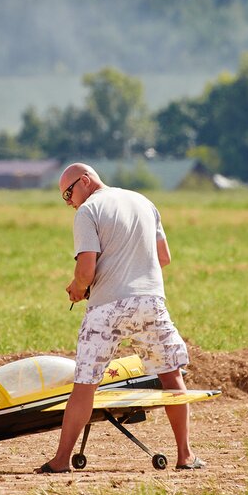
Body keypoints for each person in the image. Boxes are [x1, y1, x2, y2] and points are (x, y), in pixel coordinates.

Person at [37, 163, 204, 473]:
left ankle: (61, 461)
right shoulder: (143, 201)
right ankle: (186, 456)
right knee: (171, 374)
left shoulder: (88, 212)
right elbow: (163, 257)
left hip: (106, 307)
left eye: (69, 193)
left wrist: (77, 288)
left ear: (85, 181)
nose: (69, 202)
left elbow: (86, 271)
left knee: (85, 384)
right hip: (150, 301)